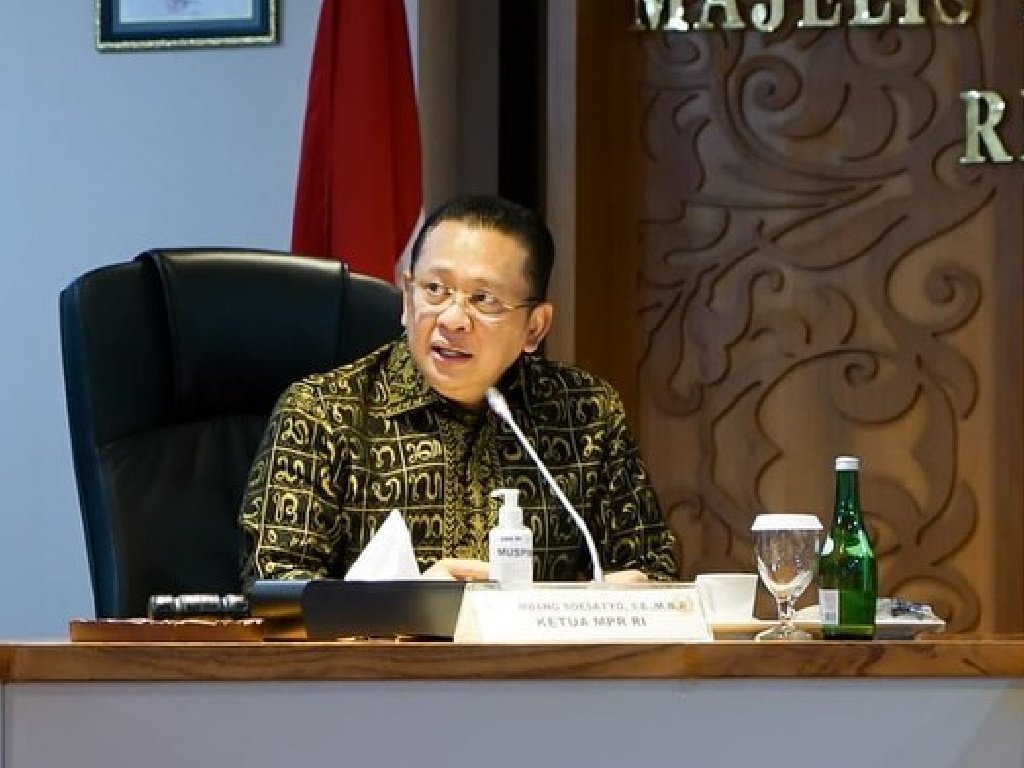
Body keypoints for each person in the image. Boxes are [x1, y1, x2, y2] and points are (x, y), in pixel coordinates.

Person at [239, 195, 680, 583]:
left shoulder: (585, 413)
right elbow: (275, 590)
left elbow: (652, 568)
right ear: (407, 299)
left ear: (535, 327)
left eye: (484, 299)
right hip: (379, 656)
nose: (452, 319)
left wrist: (618, 599)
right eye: (434, 289)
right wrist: (406, 605)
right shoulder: (322, 413)